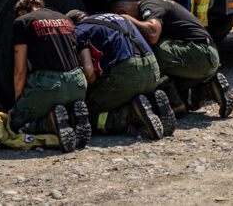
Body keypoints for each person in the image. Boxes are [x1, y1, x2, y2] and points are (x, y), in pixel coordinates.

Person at [112, 0, 233, 118]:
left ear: (122, 11)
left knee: (147, 53)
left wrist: (125, 20)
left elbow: (152, 33)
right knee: (184, 95)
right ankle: (208, 89)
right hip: (201, 58)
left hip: (201, 54)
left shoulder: (148, 4)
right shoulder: (153, 3)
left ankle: (174, 103)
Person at [66, 9, 175, 140]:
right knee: (123, 97)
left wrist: (92, 93)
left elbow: (89, 73)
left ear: (71, 24)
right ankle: (155, 107)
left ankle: (132, 114)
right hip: (153, 69)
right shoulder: (116, 17)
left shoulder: (78, 31)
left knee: (85, 115)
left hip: (127, 74)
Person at [8, 0, 91, 151]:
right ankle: (73, 118)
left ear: (22, 11)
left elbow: (20, 70)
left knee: (15, 121)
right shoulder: (66, 19)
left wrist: (19, 105)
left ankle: (48, 123)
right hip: (78, 85)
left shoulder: (22, 22)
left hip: (49, 84)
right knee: (63, 104)